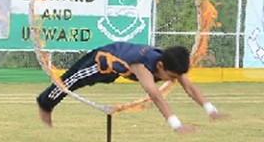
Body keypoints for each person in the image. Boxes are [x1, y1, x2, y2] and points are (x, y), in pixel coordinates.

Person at [36, 42, 224, 133]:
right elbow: (156, 97)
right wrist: (176, 125)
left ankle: (46, 103)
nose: (175, 80)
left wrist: (211, 110)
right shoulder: (142, 66)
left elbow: (190, 88)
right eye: (173, 77)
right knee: (69, 82)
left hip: (116, 71)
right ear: (160, 66)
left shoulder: (171, 63)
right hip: (100, 62)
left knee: (72, 83)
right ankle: (45, 104)